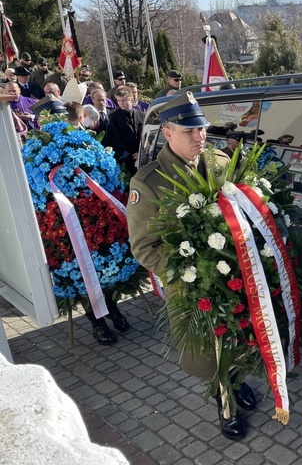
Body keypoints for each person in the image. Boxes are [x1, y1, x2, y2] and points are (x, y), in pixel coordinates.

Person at [127, 91, 256, 440]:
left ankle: (237, 379)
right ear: (167, 132)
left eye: (202, 129)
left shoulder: (217, 161)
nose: (200, 137)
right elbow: (144, 247)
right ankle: (223, 398)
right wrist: (191, 271)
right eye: (189, 132)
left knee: (239, 337)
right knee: (209, 354)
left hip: (231, 279)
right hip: (191, 291)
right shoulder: (149, 182)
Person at [103, 86, 144, 175]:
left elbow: (145, 136)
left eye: (124, 100)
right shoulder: (112, 118)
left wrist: (140, 152)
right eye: (119, 101)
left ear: (132, 99)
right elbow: (114, 140)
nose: (121, 103)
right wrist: (130, 155)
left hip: (141, 156)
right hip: (125, 159)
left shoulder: (142, 116)